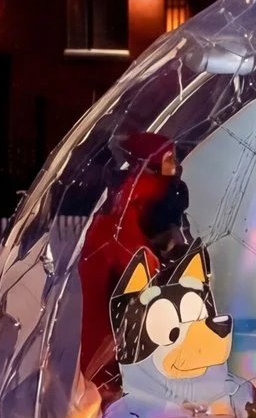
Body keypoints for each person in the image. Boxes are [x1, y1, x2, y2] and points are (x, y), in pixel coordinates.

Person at [77, 132, 190, 401]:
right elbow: (132, 255)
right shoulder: (143, 195)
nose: (174, 164)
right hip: (121, 293)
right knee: (118, 352)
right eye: (168, 158)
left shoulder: (135, 195)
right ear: (151, 162)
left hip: (118, 290)